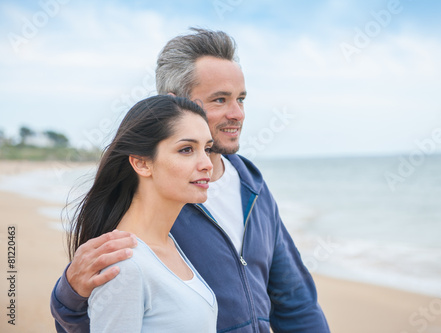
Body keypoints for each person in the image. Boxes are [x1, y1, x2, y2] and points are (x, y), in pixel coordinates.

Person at [51, 28, 330, 332]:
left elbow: (295, 302)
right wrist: (70, 293)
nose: (237, 114)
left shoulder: (254, 187)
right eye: (220, 99)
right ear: (175, 103)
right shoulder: (159, 199)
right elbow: (101, 309)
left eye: (241, 99)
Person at [67, 95, 217, 331]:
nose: (207, 163)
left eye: (207, 149)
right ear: (142, 164)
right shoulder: (124, 265)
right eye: (187, 149)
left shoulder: (169, 245)